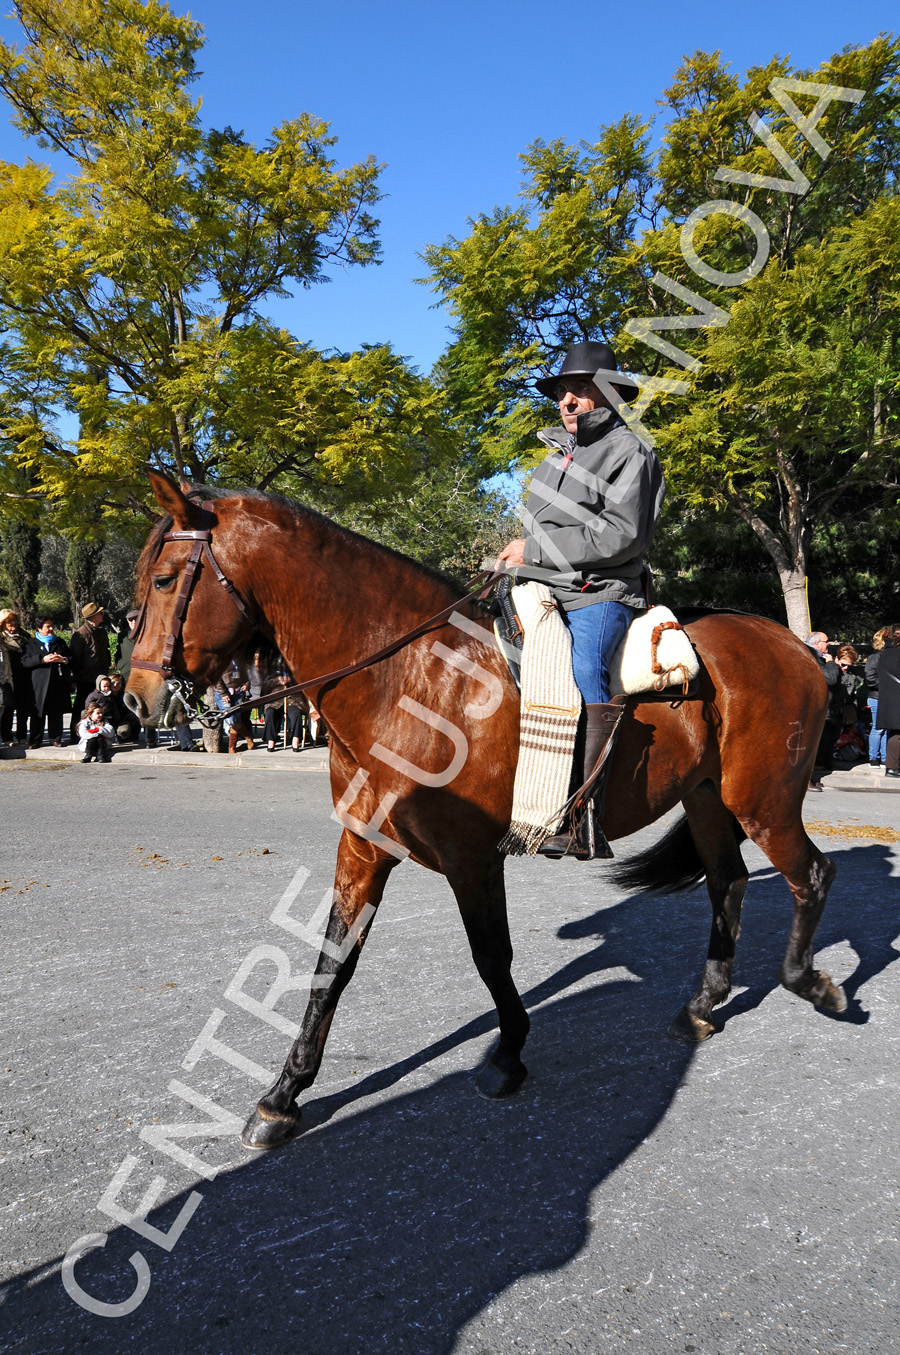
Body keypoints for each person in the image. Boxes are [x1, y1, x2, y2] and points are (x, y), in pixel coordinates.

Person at [498, 340, 665, 859]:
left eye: (583, 390)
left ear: (610, 396)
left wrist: (535, 551)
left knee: (583, 673)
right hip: (542, 587)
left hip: (599, 592)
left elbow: (622, 535)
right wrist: (516, 557)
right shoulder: (555, 458)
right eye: (564, 392)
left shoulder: (631, 452)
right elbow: (539, 533)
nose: (568, 401)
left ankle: (582, 814)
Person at [22, 618, 72, 747]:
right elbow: (24, 662)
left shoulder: (59, 642)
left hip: (57, 682)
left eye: (51, 626)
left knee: (56, 712)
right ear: (39, 628)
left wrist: (63, 659)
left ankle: (55, 738)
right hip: (37, 684)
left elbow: (71, 658)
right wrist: (42, 659)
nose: (51, 629)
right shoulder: (29, 644)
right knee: (37, 713)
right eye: (47, 626)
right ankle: (35, 739)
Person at [804, 632, 843, 790]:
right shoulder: (812, 656)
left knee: (816, 745)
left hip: (819, 708)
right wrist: (832, 663)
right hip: (813, 708)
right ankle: (806, 780)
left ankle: (811, 778)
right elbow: (829, 678)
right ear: (817, 643)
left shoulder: (814, 655)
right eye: (826, 641)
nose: (829, 644)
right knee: (810, 745)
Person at [68, 603, 111, 743]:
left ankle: (99, 734)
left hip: (99, 678)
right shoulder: (80, 634)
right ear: (93, 617)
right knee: (81, 707)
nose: (102, 615)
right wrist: (75, 678)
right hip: (85, 678)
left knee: (100, 706)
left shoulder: (101, 631)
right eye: (100, 613)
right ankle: (75, 735)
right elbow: (74, 658)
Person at [0, 608, 36, 746]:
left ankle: (22, 735)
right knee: (7, 709)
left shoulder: (25, 636)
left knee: (23, 709)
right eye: (8, 621)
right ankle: (7, 737)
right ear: (2, 624)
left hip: (24, 677)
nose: (12, 624)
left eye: (14, 620)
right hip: (7, 678)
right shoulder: (1, 638)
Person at [876, 625, 900, 779]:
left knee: (895, 733)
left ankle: (892, 766)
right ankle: (892, 767)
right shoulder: (896, 652)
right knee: (897, 734)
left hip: (891, 698)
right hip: (896, 698)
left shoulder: (886, 653)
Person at [262, 672, 307, 751]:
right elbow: (265, 686)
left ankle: (296, 739)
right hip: (275, 701)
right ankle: (271, 740)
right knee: (270, 712)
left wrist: (292, 679)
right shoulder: (273, 672)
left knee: (296, 713)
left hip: (293, 701)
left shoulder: (295, 670)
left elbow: (304, 682)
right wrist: (277, 680)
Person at [864, 626, 889, 767]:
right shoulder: (875, 658)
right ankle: (873, 757)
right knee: (878, 728)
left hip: (884, 696)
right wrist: (887, 685)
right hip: (877, 696)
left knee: (886, 728)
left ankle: (884, 757)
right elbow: (870, 678)